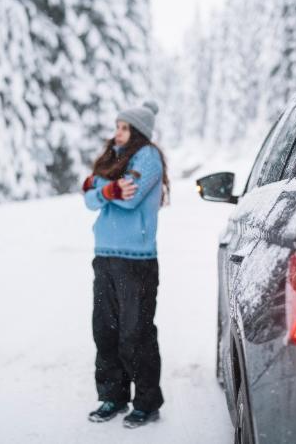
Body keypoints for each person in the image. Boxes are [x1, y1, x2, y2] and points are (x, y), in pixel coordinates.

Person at [82, 100, 170, 428]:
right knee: (105, 331)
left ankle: (147, 402)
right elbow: (89, 198)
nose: (117, 133)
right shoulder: (111, 159)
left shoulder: (147, 157)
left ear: (138, 132)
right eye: (117, 126)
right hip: (104, 256)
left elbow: (130, 198)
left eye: (123, 128)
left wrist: (101, 188)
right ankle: (112, 397)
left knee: (136, 334)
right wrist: (108, 189)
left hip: (137, 261)